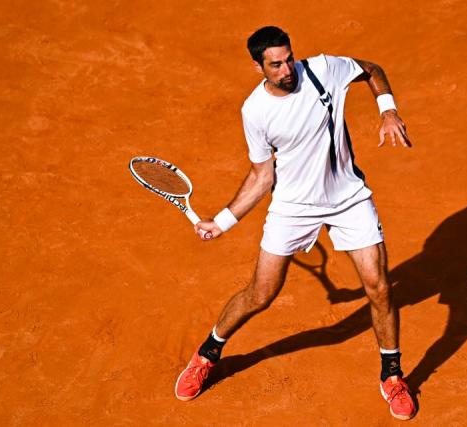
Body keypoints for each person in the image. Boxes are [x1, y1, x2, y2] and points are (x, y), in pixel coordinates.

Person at [173, 26, 416, 420]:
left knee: (380, 287)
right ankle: (208, 353)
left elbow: (371, 70)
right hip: (293, 206)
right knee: (260, 294)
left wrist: (387, 108)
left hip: (348, 199)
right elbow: (261, 177)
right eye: (276, 64)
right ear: (258, 67)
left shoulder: (323, 69)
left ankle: (392, 375)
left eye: (289, 58)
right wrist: (221, 222)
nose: (288, 69)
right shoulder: (255, 111)